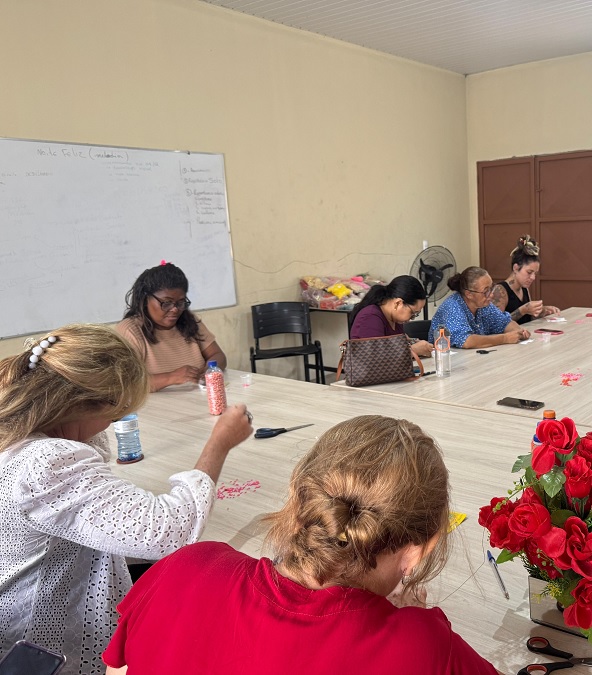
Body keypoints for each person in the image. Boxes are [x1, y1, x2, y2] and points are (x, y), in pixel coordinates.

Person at [103, 415, 499, 675]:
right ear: (418, 549)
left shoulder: (186, 567)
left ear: (297, 495)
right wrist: (406, 624)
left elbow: (116, 668)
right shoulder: (422, 649)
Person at [0, 324, 252, 675]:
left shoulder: (16, 431)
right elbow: (167, 531)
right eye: (115, 413)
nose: (110, 425)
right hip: (32, 644)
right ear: (82, 404)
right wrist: (219, 443)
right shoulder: (45, 462)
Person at [116, 262, 227, 391]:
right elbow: (127, 384)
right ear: (145, 299)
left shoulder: (189, 321)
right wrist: (171, 377)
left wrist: (209, 370)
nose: (175, 309)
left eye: (180, 302)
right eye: (167, 303)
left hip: (197, 399)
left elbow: (218, 355)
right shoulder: (130, 331)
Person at [427, 267, 530, 348]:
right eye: (486, 291)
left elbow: (505, 322)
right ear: (469, 294)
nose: (491, 295)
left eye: (491, 288)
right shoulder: (453, 307)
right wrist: (504, 338)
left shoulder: (484, 304)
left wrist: (519, 332)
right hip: (448, 364)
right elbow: (466, 341)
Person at [349, 275, 432, 358]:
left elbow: (394, 348)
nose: (411, 318)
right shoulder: (370, 317)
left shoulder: (395, 320)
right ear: (398, 303)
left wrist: (413, 343)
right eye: (413, 313)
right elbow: (376, 358)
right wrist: (413, 350)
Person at [491, 235, 560, 324]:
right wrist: (523, 310)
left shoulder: (524, 288)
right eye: (529, 272)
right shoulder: (500, 290)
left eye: (535, 273)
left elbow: (526, 320)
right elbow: (495, 325)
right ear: (516, 268)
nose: (533, 277)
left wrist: (542, 311)